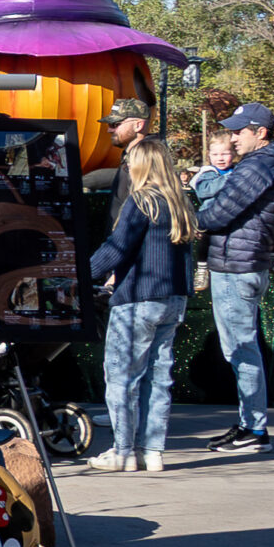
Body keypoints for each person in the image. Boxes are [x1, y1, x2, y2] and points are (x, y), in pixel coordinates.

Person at [86, 140, 199, 473]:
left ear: (142, 165)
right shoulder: (179, 202)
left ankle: (123, 452)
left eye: (130, 162)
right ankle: (153, 453)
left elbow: (116, 249)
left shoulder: (141, 201)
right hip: (173, 299)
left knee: (122, 376)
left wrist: (78, 274)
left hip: (138, 299)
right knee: (159, 378)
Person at [194, 103, 274, 456]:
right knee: (240, 348)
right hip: (242, 265)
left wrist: (192, 220)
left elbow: (221, 211)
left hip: (239, 268)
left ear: (261, 133)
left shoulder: (259, 166)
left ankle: (254, 429)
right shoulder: (266, 165)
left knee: (241, 349)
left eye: (240, 131)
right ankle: (248, 424)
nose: (234, 138)